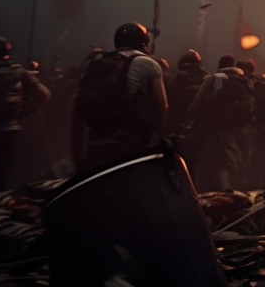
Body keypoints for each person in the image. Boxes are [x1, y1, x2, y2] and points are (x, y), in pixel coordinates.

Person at [71, 23, 167, 173]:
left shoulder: (96, 63)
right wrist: (161, 141)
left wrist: (77, 158)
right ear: (144, 41)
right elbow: (162, 106)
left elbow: (79, 111)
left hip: (96, 146)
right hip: (132, 148)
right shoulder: (149, 64)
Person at [0, 36, 50, 193]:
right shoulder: (18, 71)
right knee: (2, 174)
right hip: (10, 129)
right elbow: (45, 95)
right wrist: (21, 114)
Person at [185, 55, 254, 190]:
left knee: (218, 159)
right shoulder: (246, 80)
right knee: (236, 159)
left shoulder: (214, 78)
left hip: (216, 127)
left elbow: (195, 105)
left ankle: (216, 191)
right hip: (242, 127)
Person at [167, 51, 206, 138]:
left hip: (179, 126)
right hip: (200, 128)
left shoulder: (178, 80)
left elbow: (172, 105)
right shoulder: (206, 80)